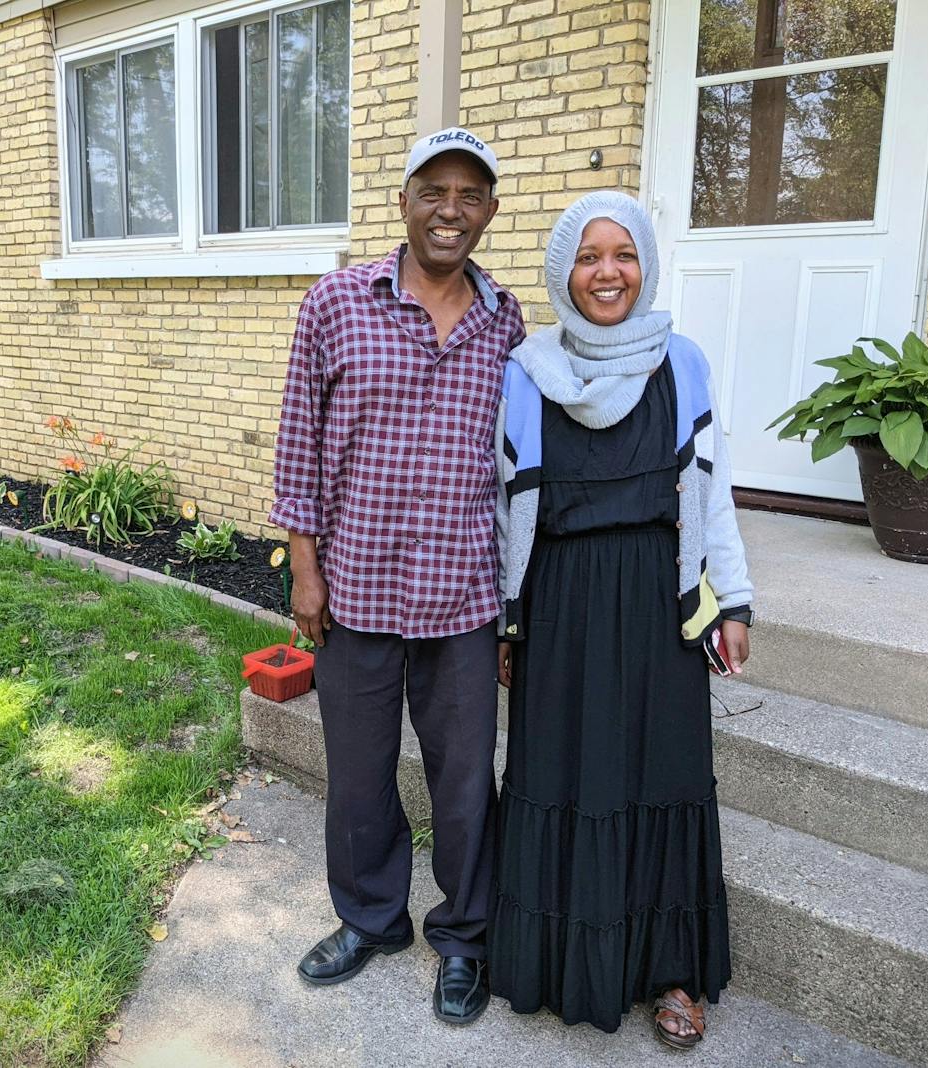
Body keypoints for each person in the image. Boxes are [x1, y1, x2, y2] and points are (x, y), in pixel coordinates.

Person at [269, 127, 526, 1025]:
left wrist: (517, 611)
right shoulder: (336, 303)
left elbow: (517, 467)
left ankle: (462, 938)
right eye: (434, 191)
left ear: (488, 210)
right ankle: (371, 920)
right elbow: (297, 445)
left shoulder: (507, 321)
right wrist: (306, 571)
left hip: (463, 596)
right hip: (358, 593)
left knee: (464, 782)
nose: (450, 210)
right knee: (360, 776)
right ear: (405, 200)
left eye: (470, 195)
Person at [487, 190, 754, 1049]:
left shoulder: (685, 365)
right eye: (589, 256)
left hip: (654, 602)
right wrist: (506, 622)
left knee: (660, 778)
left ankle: (670, 969)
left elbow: (714, 501)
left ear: (645, 265)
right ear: (564, 271)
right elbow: (503, 512)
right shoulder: (526, 375)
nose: (608, 272)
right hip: (559, 607)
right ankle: (564, 955)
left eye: (624, 254)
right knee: (563, 777)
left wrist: (733, 601)